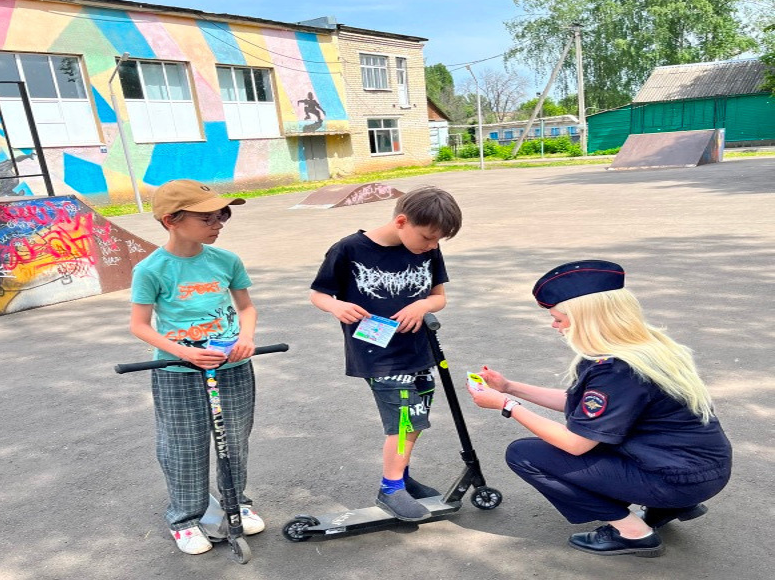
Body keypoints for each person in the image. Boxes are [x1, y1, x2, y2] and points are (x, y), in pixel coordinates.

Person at [467, 260, 732, 558]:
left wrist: (507, 406)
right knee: (597, 442)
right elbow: (586, 409)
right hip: (700, 469)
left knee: (525, 455)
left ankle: (634, 533)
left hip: (675, 479)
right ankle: (667, 505)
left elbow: (575, 443)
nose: (554, 325)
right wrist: (510, 387)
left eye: (558, 319)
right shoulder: (645, 348)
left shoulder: (616, 370)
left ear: (587, 320)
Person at [310, 186, 463, 521]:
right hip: (378, 354)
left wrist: (423, 304)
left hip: (420, 350)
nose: (432, 246)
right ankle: (391, 489)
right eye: (427, 238)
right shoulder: (349, 249)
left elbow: (439, 297)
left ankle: (402, 478)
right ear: (401, 221)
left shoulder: (427, 250)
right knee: (403, 421)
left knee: (415, 419)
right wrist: (336, 306)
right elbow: (318, 294)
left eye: (438, 241)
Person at [129, 179, 265, 555]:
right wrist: (184, 353)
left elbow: (246, 308)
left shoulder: (226, 261)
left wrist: (246, 338)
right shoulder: (151, 269)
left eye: (223, 214)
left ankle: (236, 505)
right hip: (178, 372)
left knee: (233, 441)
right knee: (183, 447)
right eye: (207, 217)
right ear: (171, 219)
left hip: (232, 367)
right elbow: (139, 326)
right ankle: (185, 519)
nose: (219, 223)